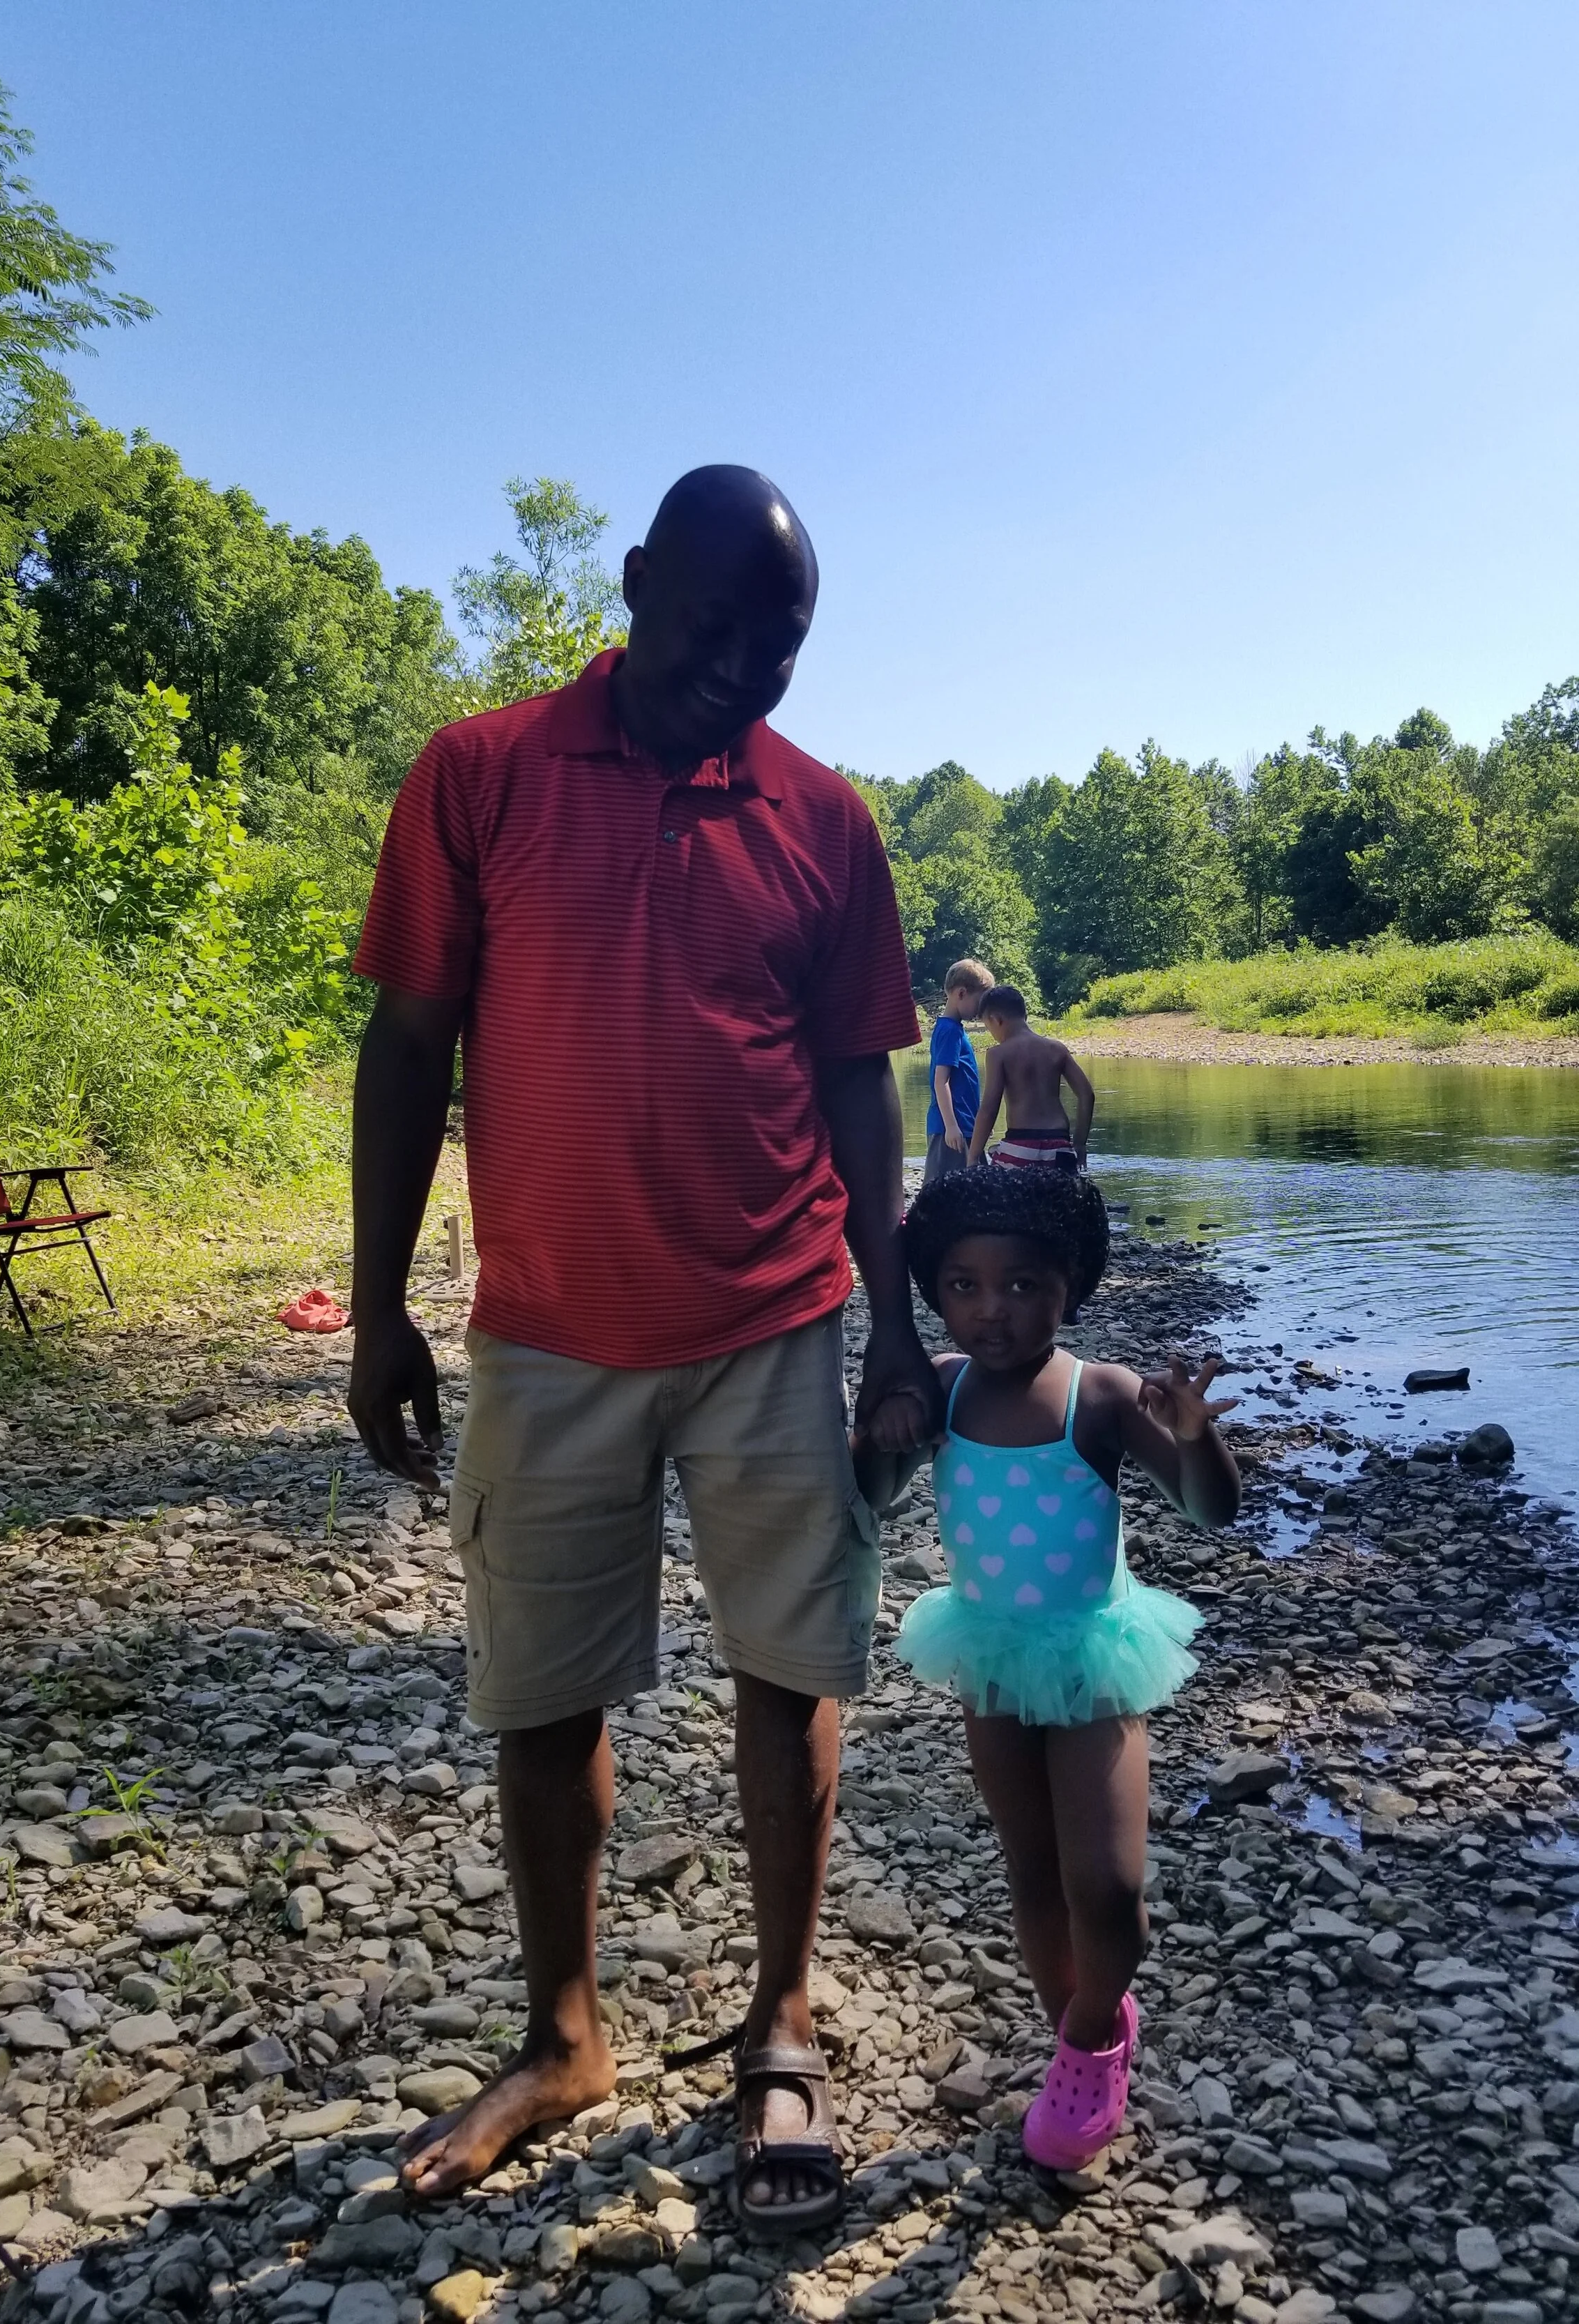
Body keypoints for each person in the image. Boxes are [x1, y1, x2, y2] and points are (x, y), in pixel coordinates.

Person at [347, 465, 939, 2232]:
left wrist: (895, 1329)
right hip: (548, 1325)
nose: (742, 667)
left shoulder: (823, 819)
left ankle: (780, 2018)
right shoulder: (481, 772)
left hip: (778, 1316)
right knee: (544, 1694)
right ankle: (564, 2037)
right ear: (631, 586)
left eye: (781, 644)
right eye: (713, 626)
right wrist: (376, 1306)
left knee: (792, 1671)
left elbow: (857, 1081)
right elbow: (408, 1044)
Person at [876, 1166, 1238, 2170]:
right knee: (1033, 1870)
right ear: (934, 1291)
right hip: (990, 1655)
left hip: (1093, 1658)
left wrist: (1198, 1439)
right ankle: (1073, 2033)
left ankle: (1090, 2035)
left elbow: (1211, 1511)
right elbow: (869, 1491)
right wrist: (881, 1431)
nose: (992, 1309)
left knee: (1109, 1889)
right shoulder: (942, 1386)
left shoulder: (1100, 1395)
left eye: (1023, 1284)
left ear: (1068, 1289)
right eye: (964, 1285)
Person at [966, 985, 1095, 1171]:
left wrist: (973, 1157)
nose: (992, 1034)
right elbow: (1087, 1095)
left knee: (1003, 1187)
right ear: (1024, 1015)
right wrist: (1080, 1144)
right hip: (1060, 1146)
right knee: (1060, 1190)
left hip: (1020, 1144)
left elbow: (989, 1109)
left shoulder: (999, 1054)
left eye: (988, 1027)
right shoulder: (1057, 1049)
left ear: (996, 1019)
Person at [922, 959, 993, 1183]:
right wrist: (951, 1127)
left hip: (966, 1124)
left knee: (972, 1187)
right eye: (979, 1002)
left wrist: (979, 1122)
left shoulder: (954, 1029)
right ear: (961, 994)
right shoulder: (950, 1031)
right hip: (952, 1129)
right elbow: (940, 1081)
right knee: (945, 1189)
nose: (981, 1010)